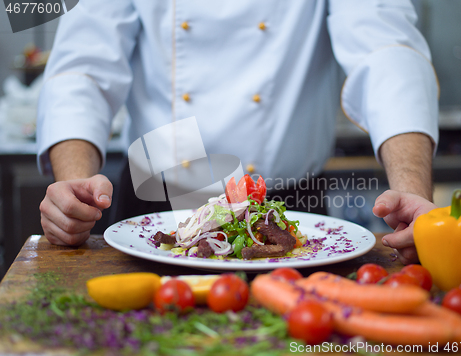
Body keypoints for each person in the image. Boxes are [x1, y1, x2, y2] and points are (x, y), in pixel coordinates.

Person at [37, 0, 439, 264]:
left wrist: (412, 191)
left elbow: (388, 53)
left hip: (288, 213)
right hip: (156, 211)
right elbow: (84, 70)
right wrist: (75, 186)